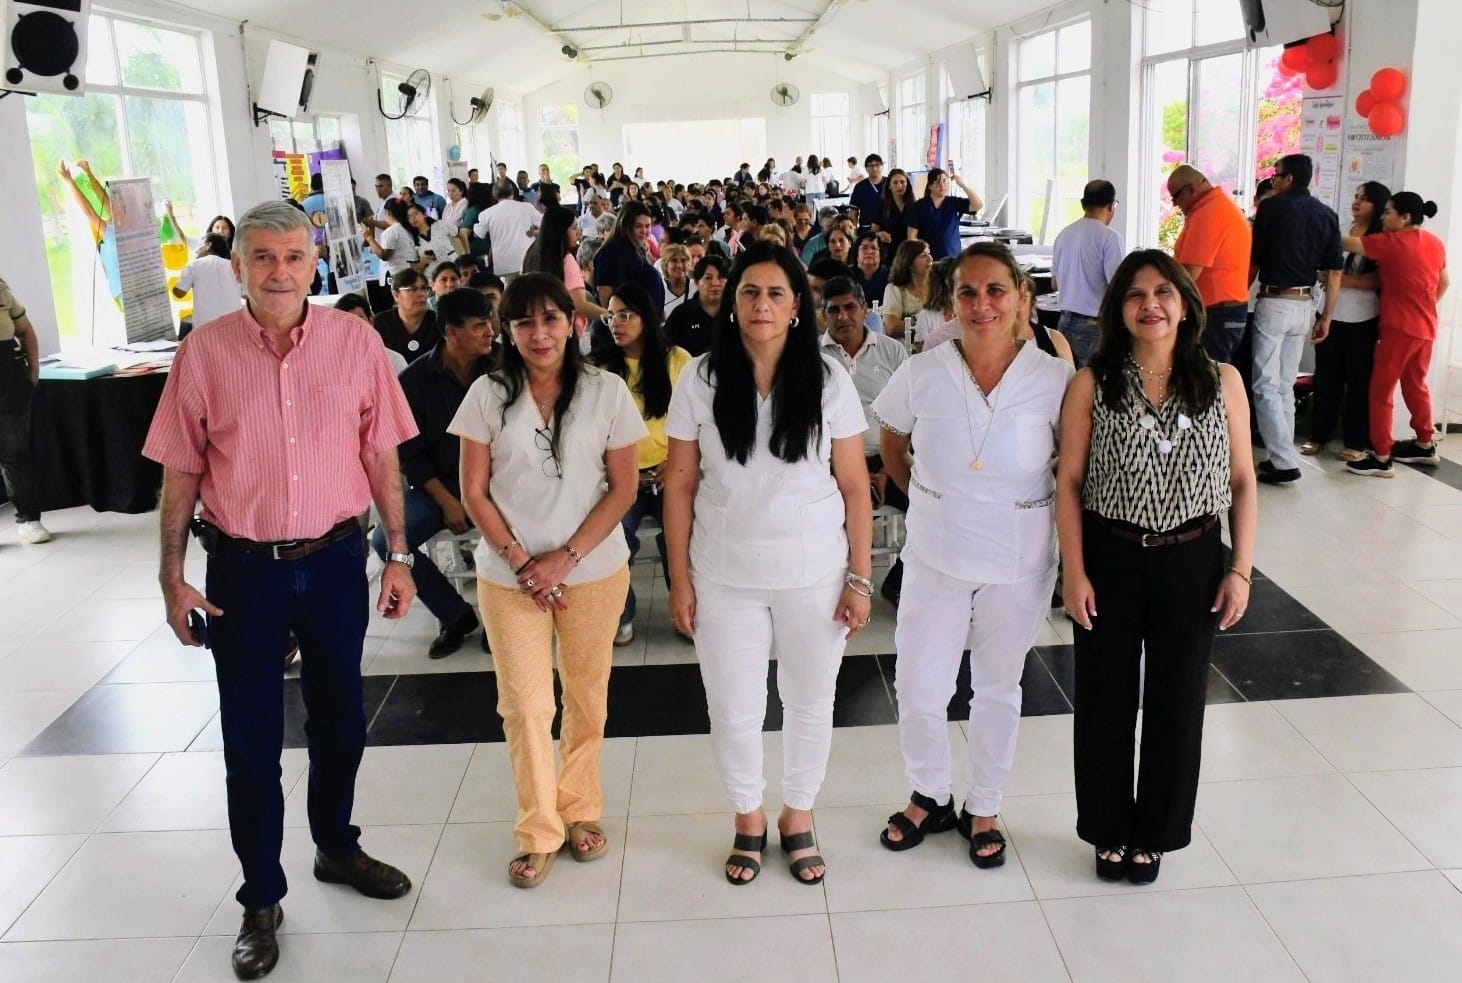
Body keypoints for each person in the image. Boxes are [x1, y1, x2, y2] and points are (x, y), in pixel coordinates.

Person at [142, 200, 419, 980]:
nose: (279, 272)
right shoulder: (204, 354)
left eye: (294, 256)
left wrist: (399, 554)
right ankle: (261, 896)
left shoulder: (354, 342)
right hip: (243, 571)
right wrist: (171, 575)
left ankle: (336, 844)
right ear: (237, 267)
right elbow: (181, 470)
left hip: (334, 561)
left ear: (314, 263)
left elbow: (381, 456)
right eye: (262, 257)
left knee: (342, 721)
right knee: (251, 741)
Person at [662, 241, 874, 886]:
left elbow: (855, 485)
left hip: (815, 573)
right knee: (733, 707)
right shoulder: (701, 378)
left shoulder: (829, 379)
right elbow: (679, 484)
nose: (762, 304)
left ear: (796, 307)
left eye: (776, 293)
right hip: (724, 574)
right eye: (750, 291)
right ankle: (748, 816)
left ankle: (798, 813)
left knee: (810, 701)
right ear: (732, 303)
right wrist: (679, 581)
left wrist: (860, 578)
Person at [1056, 249, 1257, 885]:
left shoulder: (1222, 380)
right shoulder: (1092, 383)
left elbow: (1244, 482)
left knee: (1179, 699)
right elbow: (1069, 483)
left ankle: (1158, 833)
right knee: (1105, 699)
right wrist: (1074, 571)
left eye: (1164, 292)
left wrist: (1240, 570)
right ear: (1118, 308)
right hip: (1111, 555)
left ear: (1185, 304)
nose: (1151, 305)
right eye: (1136, 294)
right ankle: (1108, 828)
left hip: (1193, 558)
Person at [871, 242, 1072, 866]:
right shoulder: (923, 371)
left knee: (997, 685)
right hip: (936, 553)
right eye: (967, 293)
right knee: (918, 683)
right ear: (950, 302)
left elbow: (1071, 467)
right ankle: (929, 794)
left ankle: (984, 803)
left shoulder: (1053, 378)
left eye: (995, 291)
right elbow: (892, 442)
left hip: (1018, 557)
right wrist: (929, 498)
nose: (982, 305)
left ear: (1021, 298)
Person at [449, 273, 646, 888]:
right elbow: (473, 491)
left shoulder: (606, 389)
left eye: (550, 319)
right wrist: (520, 561)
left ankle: (580, 806)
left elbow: (625, 487)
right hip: (509, 578)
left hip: (593, 571)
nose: (539, 333)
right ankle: (539, 828)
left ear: (572, 322)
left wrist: (565, 558)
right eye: (523, 322)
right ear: (505, 330)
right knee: (526, 704)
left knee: (586, 696)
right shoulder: (487, 394)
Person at [372, 287, 496, 658]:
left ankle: (501, 617)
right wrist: (446, 501)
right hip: (439, 487)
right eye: (479, 325)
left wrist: (478, 497)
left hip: (500, 486)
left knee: (524, 526)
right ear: (451, 332)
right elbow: (411, 454)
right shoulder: (415, 381)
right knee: (386, 540)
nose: (490, 331)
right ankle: (454, 614)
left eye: (490, 322)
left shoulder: (504, 368)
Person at [592, 282, 693, 645]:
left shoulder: (676, 360)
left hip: (670, 472)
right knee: (613, 538)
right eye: (610, 317)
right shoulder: (599, 368)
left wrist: (676, 462)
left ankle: (685, 610)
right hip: (621, 479)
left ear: (646, 318)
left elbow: (697, 422)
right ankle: (621, 615)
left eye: (625, 315)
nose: (616, 324)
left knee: (681, 536)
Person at [1340, 191, 1451, 476]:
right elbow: (1445, 282)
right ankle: (1425, 443)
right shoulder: (1435, 242)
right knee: (1416, 385)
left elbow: (1347, 243)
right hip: (1425, 328)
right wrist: (1422, 306)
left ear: (1405, 218)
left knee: (1380, 392)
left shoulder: (1391, 242)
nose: (1382, 216)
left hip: (1398, 330)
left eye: (1388, 212)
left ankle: (1381, 457)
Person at [1248, 153, 1342, 485]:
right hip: (1306, 304)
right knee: (1285, 384)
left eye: (1276, 175)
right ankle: (1283, 454)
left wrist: (1238, 297)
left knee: (1264, 385)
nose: (1273, 180)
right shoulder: (1327, 215)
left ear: (1288, 179)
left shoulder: (1271, 209)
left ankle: (1283, 460)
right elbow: (1334, 272)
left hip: (1275, 302)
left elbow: (1254, 260)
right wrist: (1327, 316)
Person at [1302, 181, 1388, 462]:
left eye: (1364, 199)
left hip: (1363, 318)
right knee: (1326, 378)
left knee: (1358, 382)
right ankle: (1318, 435)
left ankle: (1355, 441)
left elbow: (1376, 280)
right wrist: (1326, 277)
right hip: (1330, 313)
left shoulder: (1380, 239)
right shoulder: (1344, 230)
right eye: (1356, 196)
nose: (1356, 202)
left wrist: (1339, 280)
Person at [1168, 165, 1252, 364]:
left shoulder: (1209, 213)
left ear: (1190, 189)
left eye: (1175, 197)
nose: (1175, 204)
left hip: (1217, 314)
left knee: (1205, 374)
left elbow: (1189, 273)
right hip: (1223, 311)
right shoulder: (1217, 206)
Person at [1050, 179, 1125, 367]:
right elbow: (1117, 287)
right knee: (1092, 380)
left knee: (1067, 378)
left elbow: (1055, 283)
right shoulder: (1110, 238)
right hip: (1093, 326)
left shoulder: (1063, 234)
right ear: (1111, 206)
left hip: (1063, 322)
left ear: (1083, 204)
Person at [0, 276, 49, 544]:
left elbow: (25, 330)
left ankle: (29, 519)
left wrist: (34, 371)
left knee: (15, 452)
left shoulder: (1, 291)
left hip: (9, 381)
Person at [593, 202, 665, 308]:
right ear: (626, 226)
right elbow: (604, 293)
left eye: (647, 226)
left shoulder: (636, 248)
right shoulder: (610, 252)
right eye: (638, 226)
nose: (644, 231)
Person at [173, 233, 241, 337]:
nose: (196, 250)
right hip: (235, 328)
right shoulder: (234, 266)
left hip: (205, 331)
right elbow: (246, 293)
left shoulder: (194, 265)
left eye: (199, 245)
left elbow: (179, 293)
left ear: (208, 245)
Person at [664, 253, 730, 357]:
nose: (715, 283)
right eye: (708, 278)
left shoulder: (735, 311)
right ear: (696, 283)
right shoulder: (682, 314)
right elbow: (664, 347)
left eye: (720, 277)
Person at [915, 163, 984, 260]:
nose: (942, 185)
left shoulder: (953, 202)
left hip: (953, 259)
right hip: (929, 260)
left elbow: (978, 205)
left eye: (944, 181)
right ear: (930, 185)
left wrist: (962, 185)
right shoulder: (919, 206)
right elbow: (912, 238)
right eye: (937, 182)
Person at [372, 268, 440, 362]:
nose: (421, 294)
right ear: (396, 295)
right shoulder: (381, 322)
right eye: (413, 289)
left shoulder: (438, 320)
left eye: (424, 288)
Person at [473, 185, 541, 276]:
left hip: (504, 265)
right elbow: (545, 225)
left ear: (494, 195)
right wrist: (535, 232)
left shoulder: (487, 213)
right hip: (528, 262)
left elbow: (478, 234)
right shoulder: (527, 208)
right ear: (512, 193)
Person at [882, 239, 932, 338]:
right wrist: (921, 321)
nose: (930, 259)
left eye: (929, 254)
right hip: (907, 343)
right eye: (923, 256)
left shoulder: (938, 285)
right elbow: (891, 328)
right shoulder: (895, 289)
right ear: (909, 263)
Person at [874, 168, 919, 253]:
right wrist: (879, 235)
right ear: (889, 186)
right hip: (887, 252)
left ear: (907, 184)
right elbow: (874, 232)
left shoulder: (914, 206)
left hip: (908, 253)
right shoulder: (881, 205)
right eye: (895, 182)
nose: (899, 186)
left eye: (902, 182)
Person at [851, 232, 890, 321]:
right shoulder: (846, 274)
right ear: (857, 253)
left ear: (880, 254)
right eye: (864, 248)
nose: (869, 252)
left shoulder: (890, 274)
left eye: (873, 248)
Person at [659, 242, 694, 317]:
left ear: (689, 264)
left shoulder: (697, 287)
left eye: (683, 260)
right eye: (674, 260)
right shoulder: (659, 288)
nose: (679, 265)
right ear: (665, 265)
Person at [850, 154, 887, 224]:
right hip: (866, 227)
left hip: (888, 227)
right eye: (871, 166)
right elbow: (853, 212)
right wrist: (852, 229)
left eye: (877, 165)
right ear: (866, 168)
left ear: (882, 166)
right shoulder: (860, 187)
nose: (874, 168)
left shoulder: (890, 183)